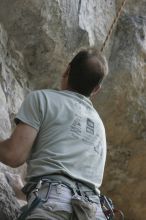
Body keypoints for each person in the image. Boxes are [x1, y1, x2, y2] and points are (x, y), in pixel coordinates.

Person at [0, 48, 108, 220]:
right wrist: (23, 191)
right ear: (96, 89)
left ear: (67, 70)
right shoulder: (99, 127)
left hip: (53, 204)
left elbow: (14, 155)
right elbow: (72, 182)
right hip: (94, 212)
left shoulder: (42, 99)